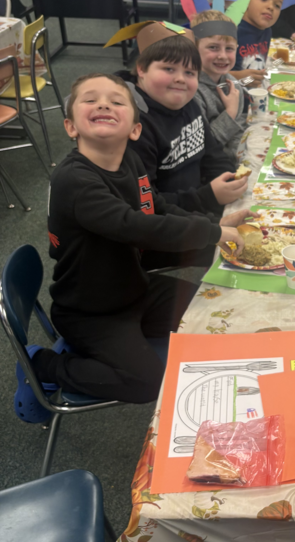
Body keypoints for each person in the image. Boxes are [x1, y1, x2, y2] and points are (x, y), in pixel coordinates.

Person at [13, 73, 247, 417]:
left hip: (135, 289)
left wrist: (214, 224)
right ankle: (43, 365)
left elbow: (158, 207)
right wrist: (212, 234)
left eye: (116, 101)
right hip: (91, 311)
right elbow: (136, 226)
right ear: (70, 126)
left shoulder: (130, 162)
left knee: (214, 313)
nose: (104, 104)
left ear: (135, 129)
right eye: (90, 100)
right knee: (144, 383)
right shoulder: (74, 180)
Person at [105, 22, 248, 218]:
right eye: (169, 69)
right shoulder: (134, 127)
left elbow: (212, 153)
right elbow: (145, 205)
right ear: (141, 69)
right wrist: (207, 197)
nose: (181, 79)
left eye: (189, 72)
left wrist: (228, 177)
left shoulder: (188, 104)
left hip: (199, 209)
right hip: (170, 228)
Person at [190, 9, 250, 155]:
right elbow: (203, 146)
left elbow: (239, 130)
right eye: (213, 47)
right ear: (194, 49)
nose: (223, 56)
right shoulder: (192, 92)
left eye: (229, 49)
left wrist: (237, 160)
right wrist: (230, 112)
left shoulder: (233, 84)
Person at [236, 0, 288, 70]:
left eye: (277, 5)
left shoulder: (267, 32)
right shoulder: (232, 32)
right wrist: (240, 77)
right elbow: (212, 75)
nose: (271, 7)